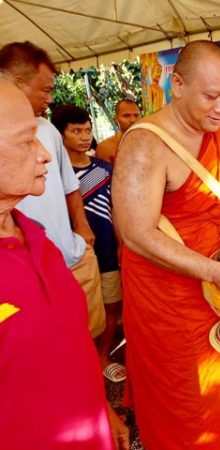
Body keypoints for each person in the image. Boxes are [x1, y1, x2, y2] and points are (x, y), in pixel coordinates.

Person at [112, 40, 220, 449]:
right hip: (172, 300)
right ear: (177, 84)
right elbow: (136, 232)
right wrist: (213, 270)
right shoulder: (146, 143)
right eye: (211, 96)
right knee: (182, 402)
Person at [0, 71, 129, 450]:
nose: (44, 154)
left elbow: (70, 343)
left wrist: (101, 407)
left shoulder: (35, 235)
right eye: (26, 142)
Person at [0, 40, 105, 338]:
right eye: (45, 89)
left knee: (86, 330)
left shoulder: (47, 131)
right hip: (25, 269)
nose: (41, 155)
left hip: (68, 253)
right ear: (16, 83)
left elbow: (69, 186)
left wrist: (82, 232)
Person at [51, 104, 126, 383]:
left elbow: (115, 208)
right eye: (75, 131)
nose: (84, 136)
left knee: (112, 305)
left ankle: (103, 356)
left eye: (87, 130)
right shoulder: (53, 174)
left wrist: (120, 243)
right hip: (76, 256)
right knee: (79, 311)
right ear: (60, 135)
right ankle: (81, 359)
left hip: (107, 251)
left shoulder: (104, 168)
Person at [96, 99, 141, 166]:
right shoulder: (106, 147)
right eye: (126, 116)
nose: (133, 120)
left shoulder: (151, 142)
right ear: (116, 118)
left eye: (136, 115)